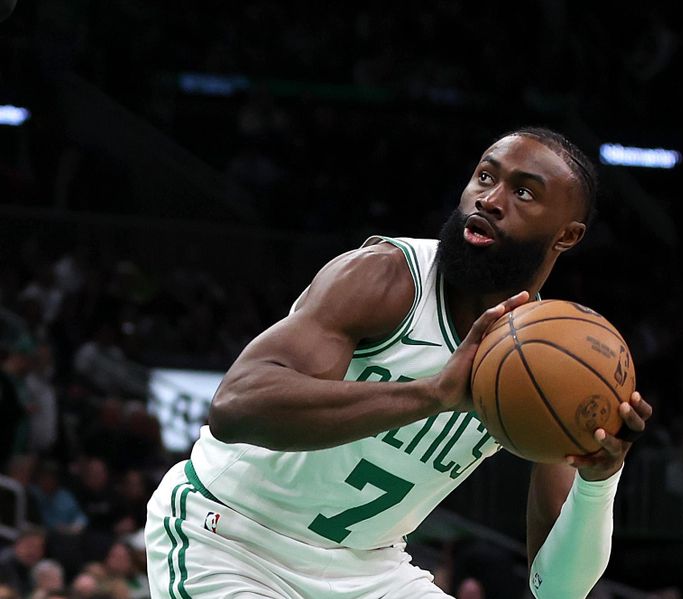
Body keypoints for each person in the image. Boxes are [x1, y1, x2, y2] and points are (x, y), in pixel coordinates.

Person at [145, 126, 653, 598]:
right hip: (231, 538)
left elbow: (558, 589)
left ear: (566, 236)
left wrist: (599, 480)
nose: (490, 199)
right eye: (485, 176)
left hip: (367, 569)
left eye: (523, 192)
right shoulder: (387, 278)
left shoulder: (545, 365)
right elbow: (235, 408)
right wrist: (431, 395)